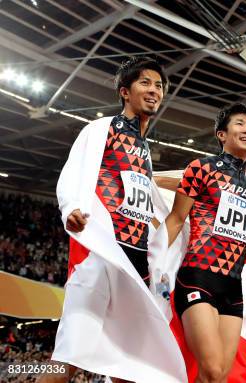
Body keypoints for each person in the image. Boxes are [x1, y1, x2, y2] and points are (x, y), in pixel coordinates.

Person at [41, 56, 169, 383]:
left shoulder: (144, 148)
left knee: (131, 365)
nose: (154, 90)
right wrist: (72, 209)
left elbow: (147, 203)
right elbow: (75, 173)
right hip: (101, 255)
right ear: (125, 92)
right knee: (69, 357)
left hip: (136, 266)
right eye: (145, 83)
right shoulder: (102, 129)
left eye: (158, 85)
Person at [164, 103, 246, 383]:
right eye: (240, 123)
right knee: (212, 370)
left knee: (219, 377)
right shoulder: (202, 168)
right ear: (221, 134)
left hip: (232, 286)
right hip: (198, 278)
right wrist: (150, 264)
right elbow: (177, 218)